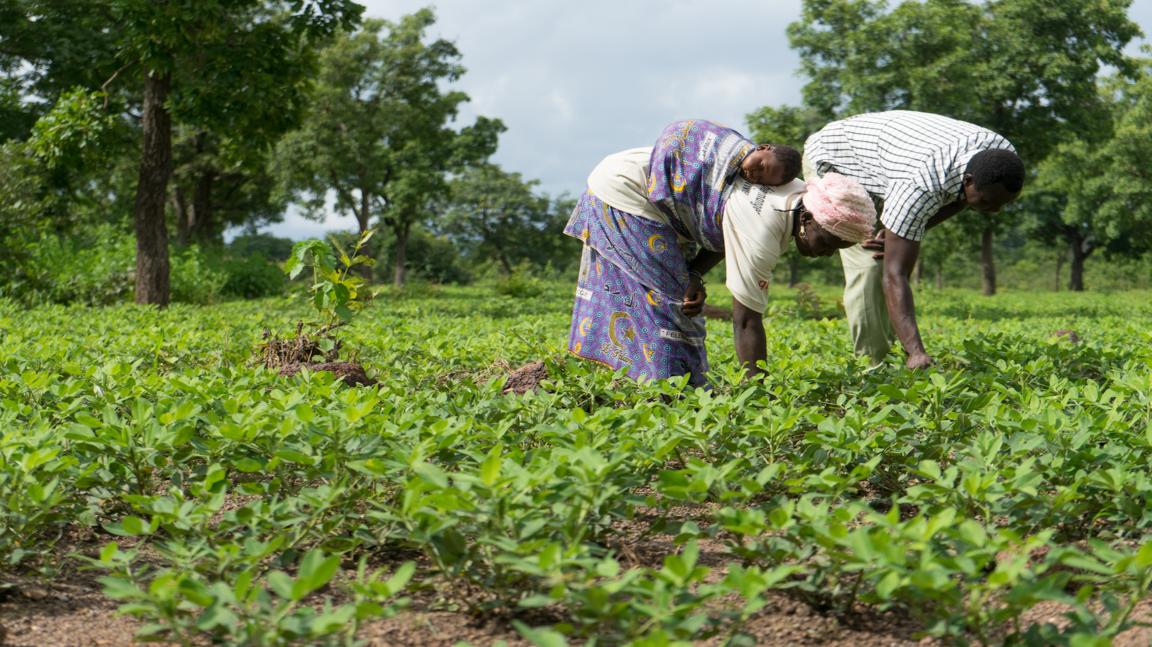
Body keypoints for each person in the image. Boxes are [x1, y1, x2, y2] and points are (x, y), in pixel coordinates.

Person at [564, 141, 875, 386]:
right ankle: (662, 391)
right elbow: (746, 321)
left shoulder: (801, 192)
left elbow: (727, 228)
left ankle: (669, 384)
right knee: (668, 304)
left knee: (680, 298)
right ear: (808, 219)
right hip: (627, 190)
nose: (827, 254)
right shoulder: (765, 227)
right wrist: (758, 393)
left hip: (650, 188)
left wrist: (696, 273)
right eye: (829, 243)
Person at [802, 110, 1026, 369]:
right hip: (836, 159)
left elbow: (960, 197)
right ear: (968, 180)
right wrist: (917, 351)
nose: (994, 210)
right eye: (988, 202)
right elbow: (895, 275)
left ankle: (894, 347)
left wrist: (901, 228)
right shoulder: (919, 184)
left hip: (885, 161)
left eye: (1002, 204)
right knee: (870, 264)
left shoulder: (1002, 158)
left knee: (892, 244)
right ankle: (873, 364)